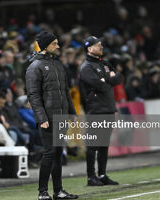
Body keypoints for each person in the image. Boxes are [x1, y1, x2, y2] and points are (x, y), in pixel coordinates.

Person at [26, 31, 78, 200]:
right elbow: (33, 96)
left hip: (62, 116)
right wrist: (42, 118)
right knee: (49, 154)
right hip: (48, 118)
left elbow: (65, 91)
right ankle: (42, 192)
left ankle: (58, 191)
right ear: (45, 45)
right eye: (55, 43)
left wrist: (72, 113)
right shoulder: (34, 67)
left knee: (58, 154)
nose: (58, 46)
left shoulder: (57, 64)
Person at [79, 36, 122, 186]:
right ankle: (91, 177)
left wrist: (106, 80)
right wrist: (108, 79)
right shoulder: (86, 68)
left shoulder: (104, 63)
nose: (101, 47)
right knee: (92, 145)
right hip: (96, 110)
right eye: (98, 45)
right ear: (90, 49)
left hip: (108, 108)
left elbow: (119, 78)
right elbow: (100, 86)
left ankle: (102, 174)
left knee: (104, 144)